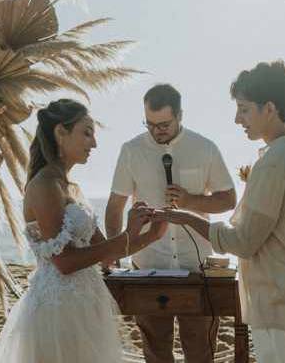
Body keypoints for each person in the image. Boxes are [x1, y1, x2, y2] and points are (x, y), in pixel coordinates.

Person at [153, 62, 285, 363]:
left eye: (244, 109)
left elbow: (245, 241)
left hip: (280, 309)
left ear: (269, 108)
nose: (237, 119)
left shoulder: (274, 163)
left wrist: (187, 218)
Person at [0, 99, 166, 363]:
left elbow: (107, 256)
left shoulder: (72, 189)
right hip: (58, 310)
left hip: (87, 305)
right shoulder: (45, 185)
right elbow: (65, 262)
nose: (94, 143)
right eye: (87, 132)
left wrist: (151, 234)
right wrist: (128, 234)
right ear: (61, 132)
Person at [105, 83, 236, 363]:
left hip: (197, 265)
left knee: (200, 351)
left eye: (163, 124)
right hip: (148, 265)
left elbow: (228, 200)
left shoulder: (205, 148)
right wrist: (113, 254)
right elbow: (115, 206)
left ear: (180, 115)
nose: (156, 131)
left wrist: (191, 201)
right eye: (150, 124)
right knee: (156, 352)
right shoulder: (131, 150)